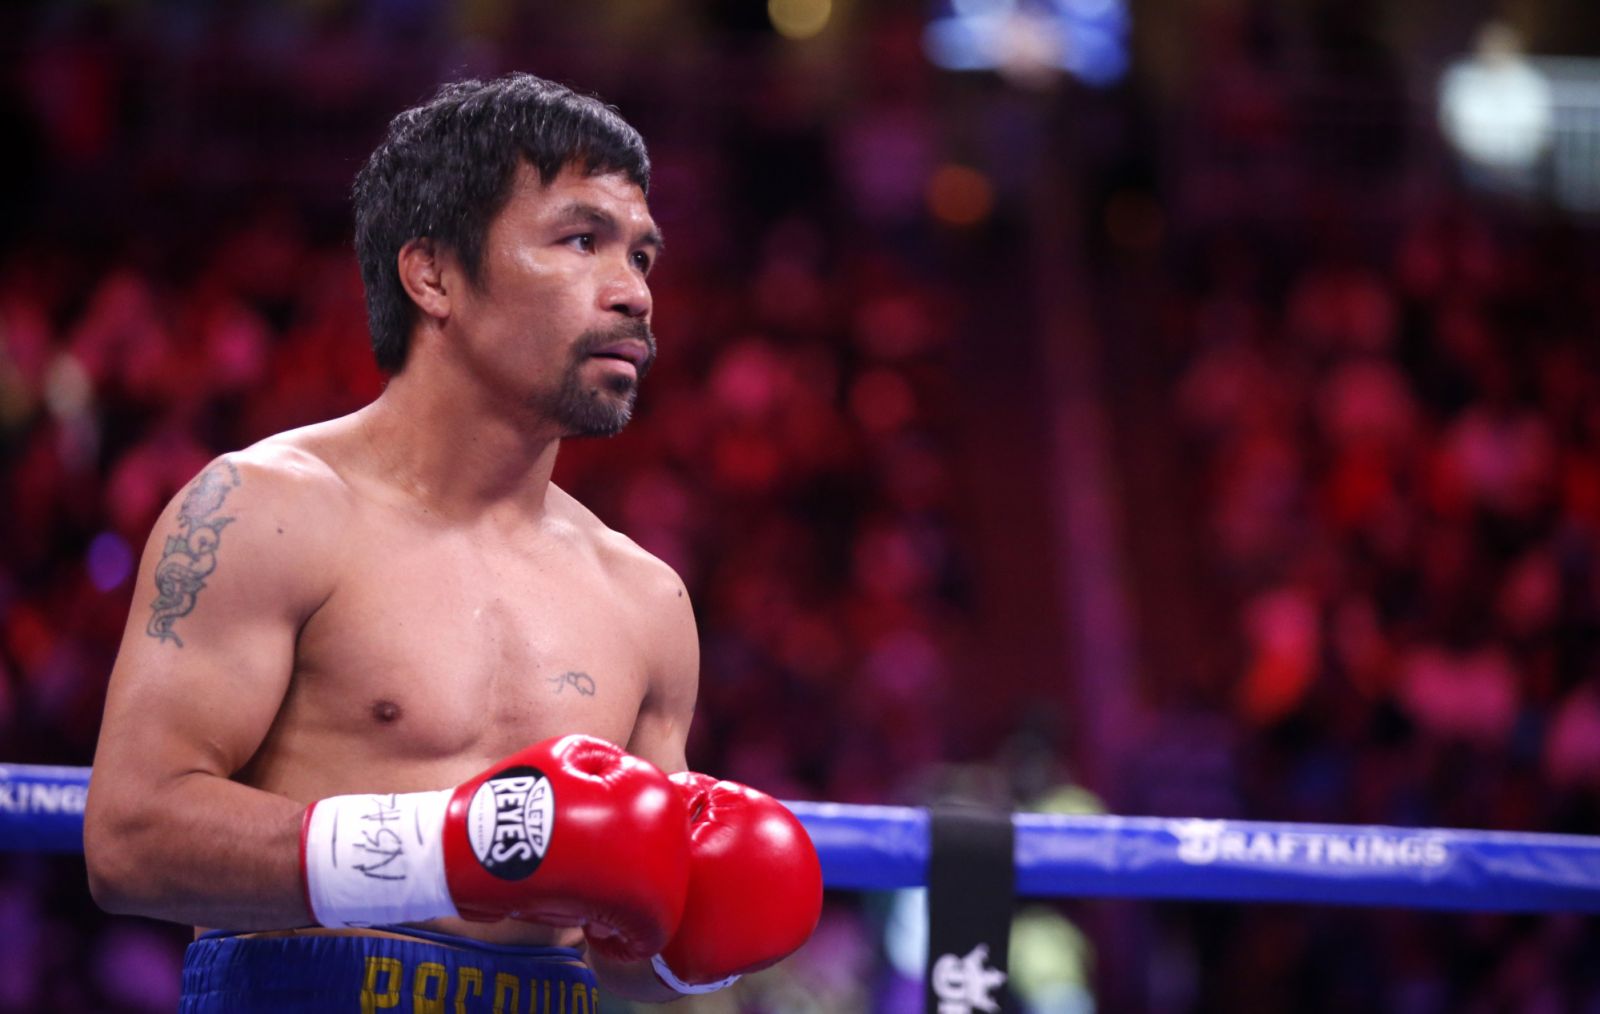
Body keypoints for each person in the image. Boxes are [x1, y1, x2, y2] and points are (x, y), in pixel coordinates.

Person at [82, 73, 822, 1011]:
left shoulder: (646, 598)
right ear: (432, 273)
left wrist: (696, 926)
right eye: (582, 240)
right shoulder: (265, 512)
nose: (634, 292)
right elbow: (132, 839)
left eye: (642, 256)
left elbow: (618, 925)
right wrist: (452, 853)